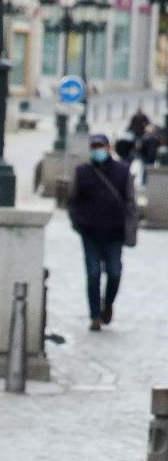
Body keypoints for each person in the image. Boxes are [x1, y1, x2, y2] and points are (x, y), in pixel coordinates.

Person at [67, 133, 137, 332]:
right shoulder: (82, 172)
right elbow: (73, 200)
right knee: (93, 274)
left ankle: (108, 304)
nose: (97, 150)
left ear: (108, 148)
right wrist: (78, 223)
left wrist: (130, 231)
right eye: (94, 147)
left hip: (114, 233)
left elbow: (130, 202)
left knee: (114, 273)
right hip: (90, 233)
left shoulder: (123, 172)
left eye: (101, 146)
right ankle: (95, 315)